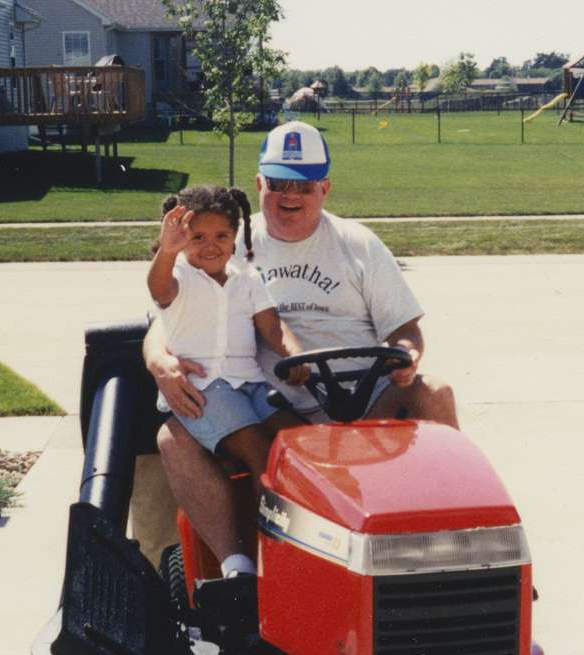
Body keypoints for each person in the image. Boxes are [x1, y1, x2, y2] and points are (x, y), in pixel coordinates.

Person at [142, 120, 458, 571]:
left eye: (304, 186)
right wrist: (160, 364)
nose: (290, 195)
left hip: (366, 398)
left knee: (435, 390)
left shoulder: (358, 244)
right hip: (271, 404)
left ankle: (457, 546)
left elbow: (406, 329)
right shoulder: (226, 242)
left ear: (324, 188)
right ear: (259, 183)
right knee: (173, 437)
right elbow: (165, 316)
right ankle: (241, 571)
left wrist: (407, 354)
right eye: (278, 183)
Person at [147, 185, 308, 577]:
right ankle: (262, 561)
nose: (211, 246)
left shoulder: (246, 277)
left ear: (235, 236)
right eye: (197, 237)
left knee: (298, 444)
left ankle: (309, 548)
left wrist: (295, 353)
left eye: (221, 236)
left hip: (248, 383)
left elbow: (272, 328)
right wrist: (168, 250)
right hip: (203, 388)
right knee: (259, 453)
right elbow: (159, 289)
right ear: (181, 239)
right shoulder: (178, 275)